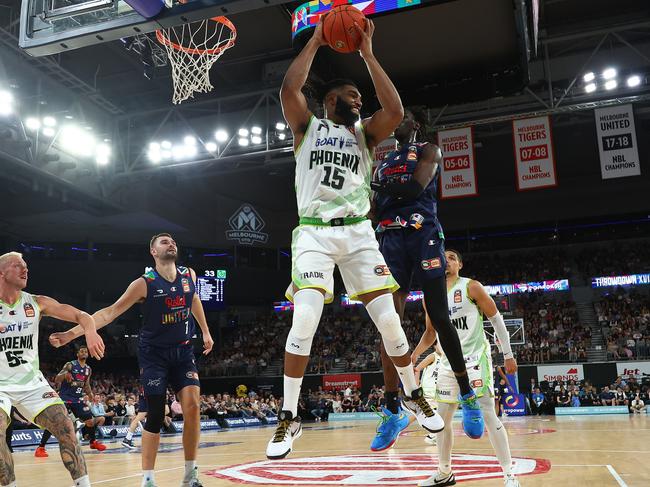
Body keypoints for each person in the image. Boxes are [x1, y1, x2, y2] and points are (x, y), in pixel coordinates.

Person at [265, 17, 440, 460]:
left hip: (360, 233)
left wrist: (367, 53)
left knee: (390, 321)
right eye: (350, 95)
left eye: (360, 96)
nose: (359, 100)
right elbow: (289, 90)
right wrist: (317, 41)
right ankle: (288, 417)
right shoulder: (308, 129)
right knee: (304, 317)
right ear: (328, 101)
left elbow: (396, 112)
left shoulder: (365, 135)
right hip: (315, 234)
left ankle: (413, 396)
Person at [49, 234, 214, 487]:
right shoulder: (144, 284)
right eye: (164, 242)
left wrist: (205, 331)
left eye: (173, 241)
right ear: (153, 252)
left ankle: (190, 474)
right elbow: (109, 313)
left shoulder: (188, 275)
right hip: (154, 356)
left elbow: (194, 300)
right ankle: (147, 478)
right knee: (156, 414)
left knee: (192, 407)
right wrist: (72, 334)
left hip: (183, 353)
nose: (171, 244)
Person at [371, 106, 483, 450]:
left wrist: (376, 185)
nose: (395, 120)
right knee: (388, 323)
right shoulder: (384, 160)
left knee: (438, 315)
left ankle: (467, 394)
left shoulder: (429, 150)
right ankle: (392, 409)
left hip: (424, 234)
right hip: (390, 238)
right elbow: (374, 206)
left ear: (415, 123)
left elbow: (414, 186)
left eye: (401, 116)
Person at [413, 250, 520, 487]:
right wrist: (415, 354)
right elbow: (431, 333)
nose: (447, 261)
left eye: (452, 257)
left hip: (475, 359)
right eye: (444, 258)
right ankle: (444, 472)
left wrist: (508, 354)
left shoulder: (471, 286)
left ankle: (509, 474)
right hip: (447, 363)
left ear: (460, 264)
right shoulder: (430, 295)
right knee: (441, 419)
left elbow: (496, 319)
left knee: (488, 413)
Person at [0, 251, 104, 487]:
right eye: (18, 266)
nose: (25, 269)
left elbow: (81, 315)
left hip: (31, 384)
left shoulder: (36, 302)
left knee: (67, 426)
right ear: (2, 273)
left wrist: (89, 331)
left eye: (26, 265)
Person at [35, 346, 106, 458]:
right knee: (55, 422)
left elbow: (86, 384)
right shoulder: (70, 365)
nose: (84, 353)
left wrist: (90, 394)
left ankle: (93, 442)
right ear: (77, 354)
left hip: (77, 399)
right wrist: (65, 375)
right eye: (82, 351)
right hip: (65, 398)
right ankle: (41, 447)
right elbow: (57, 379)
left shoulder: (88, 369)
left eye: (86, 351)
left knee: (90, 421)